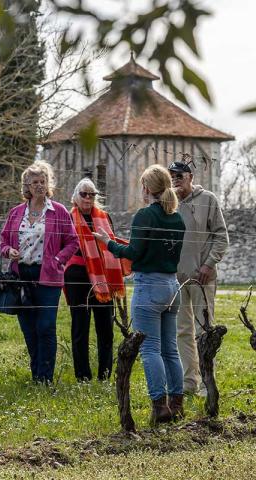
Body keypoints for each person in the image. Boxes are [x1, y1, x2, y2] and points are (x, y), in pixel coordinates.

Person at [94, 164, 186, 424]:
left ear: (146, 189)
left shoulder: (145, 215)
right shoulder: (177, 218)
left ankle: (159, 406)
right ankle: (176, 403)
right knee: (170, 349)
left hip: (150, 287)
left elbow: (134, 253)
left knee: (150, 350)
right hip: (172, 286)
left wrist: (108, 243)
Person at [0, 161, 79, 384]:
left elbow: (73, 242)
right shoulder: (16, 213)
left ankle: (46, 377)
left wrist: (57, 259)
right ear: (27, 185)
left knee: (45, 326)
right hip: (20, 276)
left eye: (43, 181)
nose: (40, 186)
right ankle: (36, 374)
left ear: (48, 183)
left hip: (48, 276)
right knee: (28, 327)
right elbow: (3, 240)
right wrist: (9, 250)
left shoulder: (59, 211)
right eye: (35, 182)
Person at [169, 161, 229, 396]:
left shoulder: (208, 200)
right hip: (176, 278)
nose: (175, 180)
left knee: (204, 330)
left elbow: (221, 236)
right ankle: (189, 382)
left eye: (179, 175)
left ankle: (206, 383)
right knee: (182, 331)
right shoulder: (168, 202)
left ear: (190, 176)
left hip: (202, 276)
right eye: (171, 176)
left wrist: (208, 264)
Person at [64, 177, 126, 382]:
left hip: (103, 276)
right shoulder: (68, 217)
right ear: (75, 196)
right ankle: (83, 376)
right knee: (80, 326)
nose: (88, 198)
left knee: (105, 328)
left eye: (92, 194)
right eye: (84, 194)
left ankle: (105, 374)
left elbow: (112, 243)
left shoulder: (104, 216)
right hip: (77, 276)